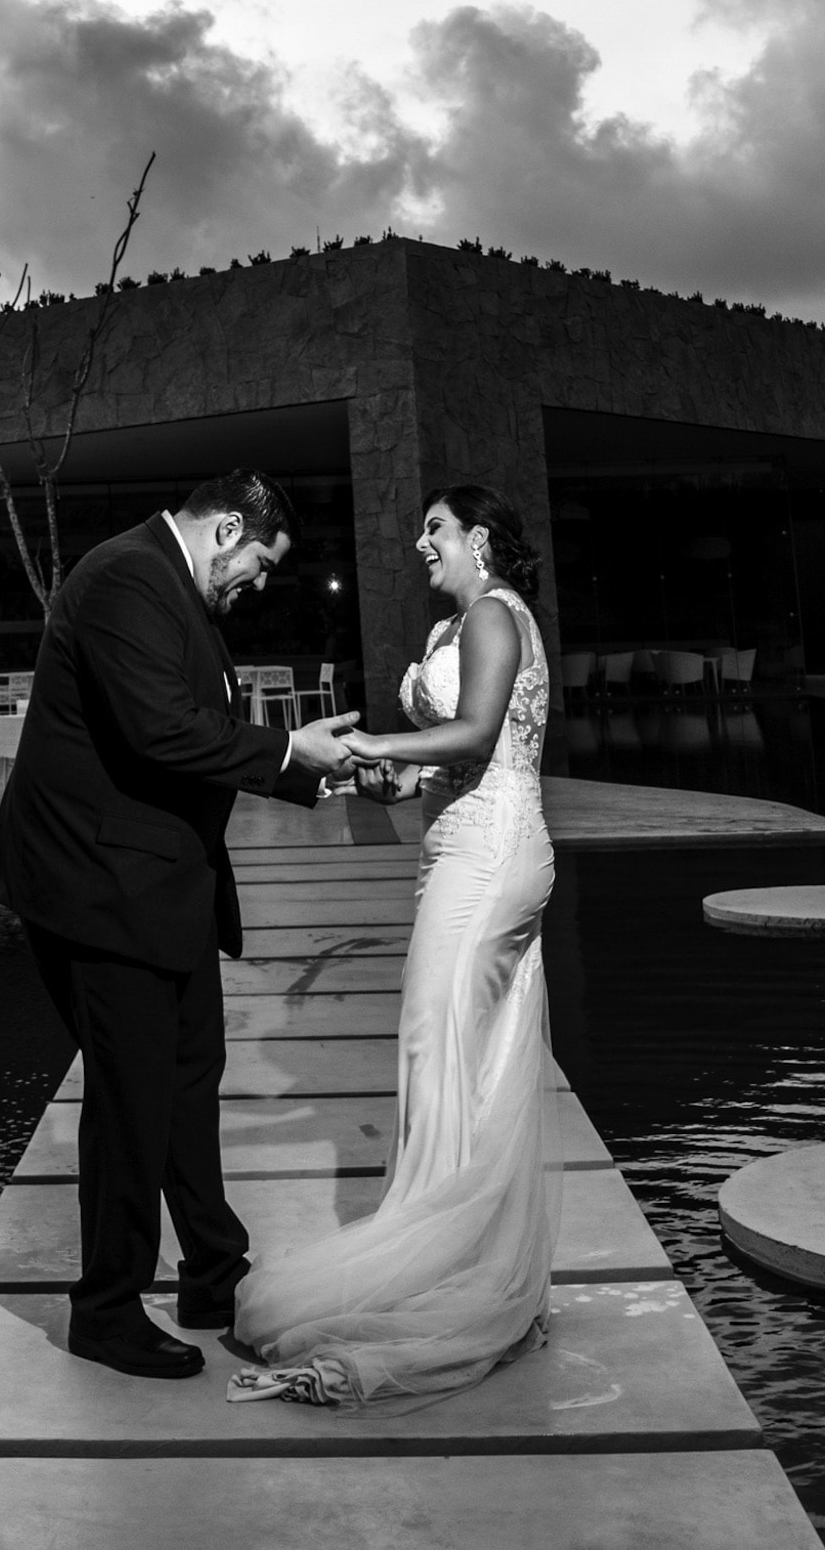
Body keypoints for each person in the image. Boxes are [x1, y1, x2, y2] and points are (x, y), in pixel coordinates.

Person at [0, 469, 364, 1381]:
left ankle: (212, 1276)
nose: (259, 585)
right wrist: (289, 749)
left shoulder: (171, 585)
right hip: (99, 889)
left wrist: (319, 773)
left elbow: (192, 730)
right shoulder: (126, 576)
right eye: (261, 563)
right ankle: (106, 1312)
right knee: (132, 1102)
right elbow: (161, 729)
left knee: (189, 1081)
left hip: (159, 888)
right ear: (227, 529)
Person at [226, 481, 565, 1411]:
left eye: (436, 528)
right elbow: (451, 762)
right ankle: (469, 1255)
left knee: (433, 1046)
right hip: (456, 846)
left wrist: (377, 740)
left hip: (491, 854)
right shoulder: (451, 629)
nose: (421, 542)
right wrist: (385, 783)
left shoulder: (494, 614)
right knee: (460, 1058)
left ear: (480, 539)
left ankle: (443, 1271)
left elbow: (479, 731)